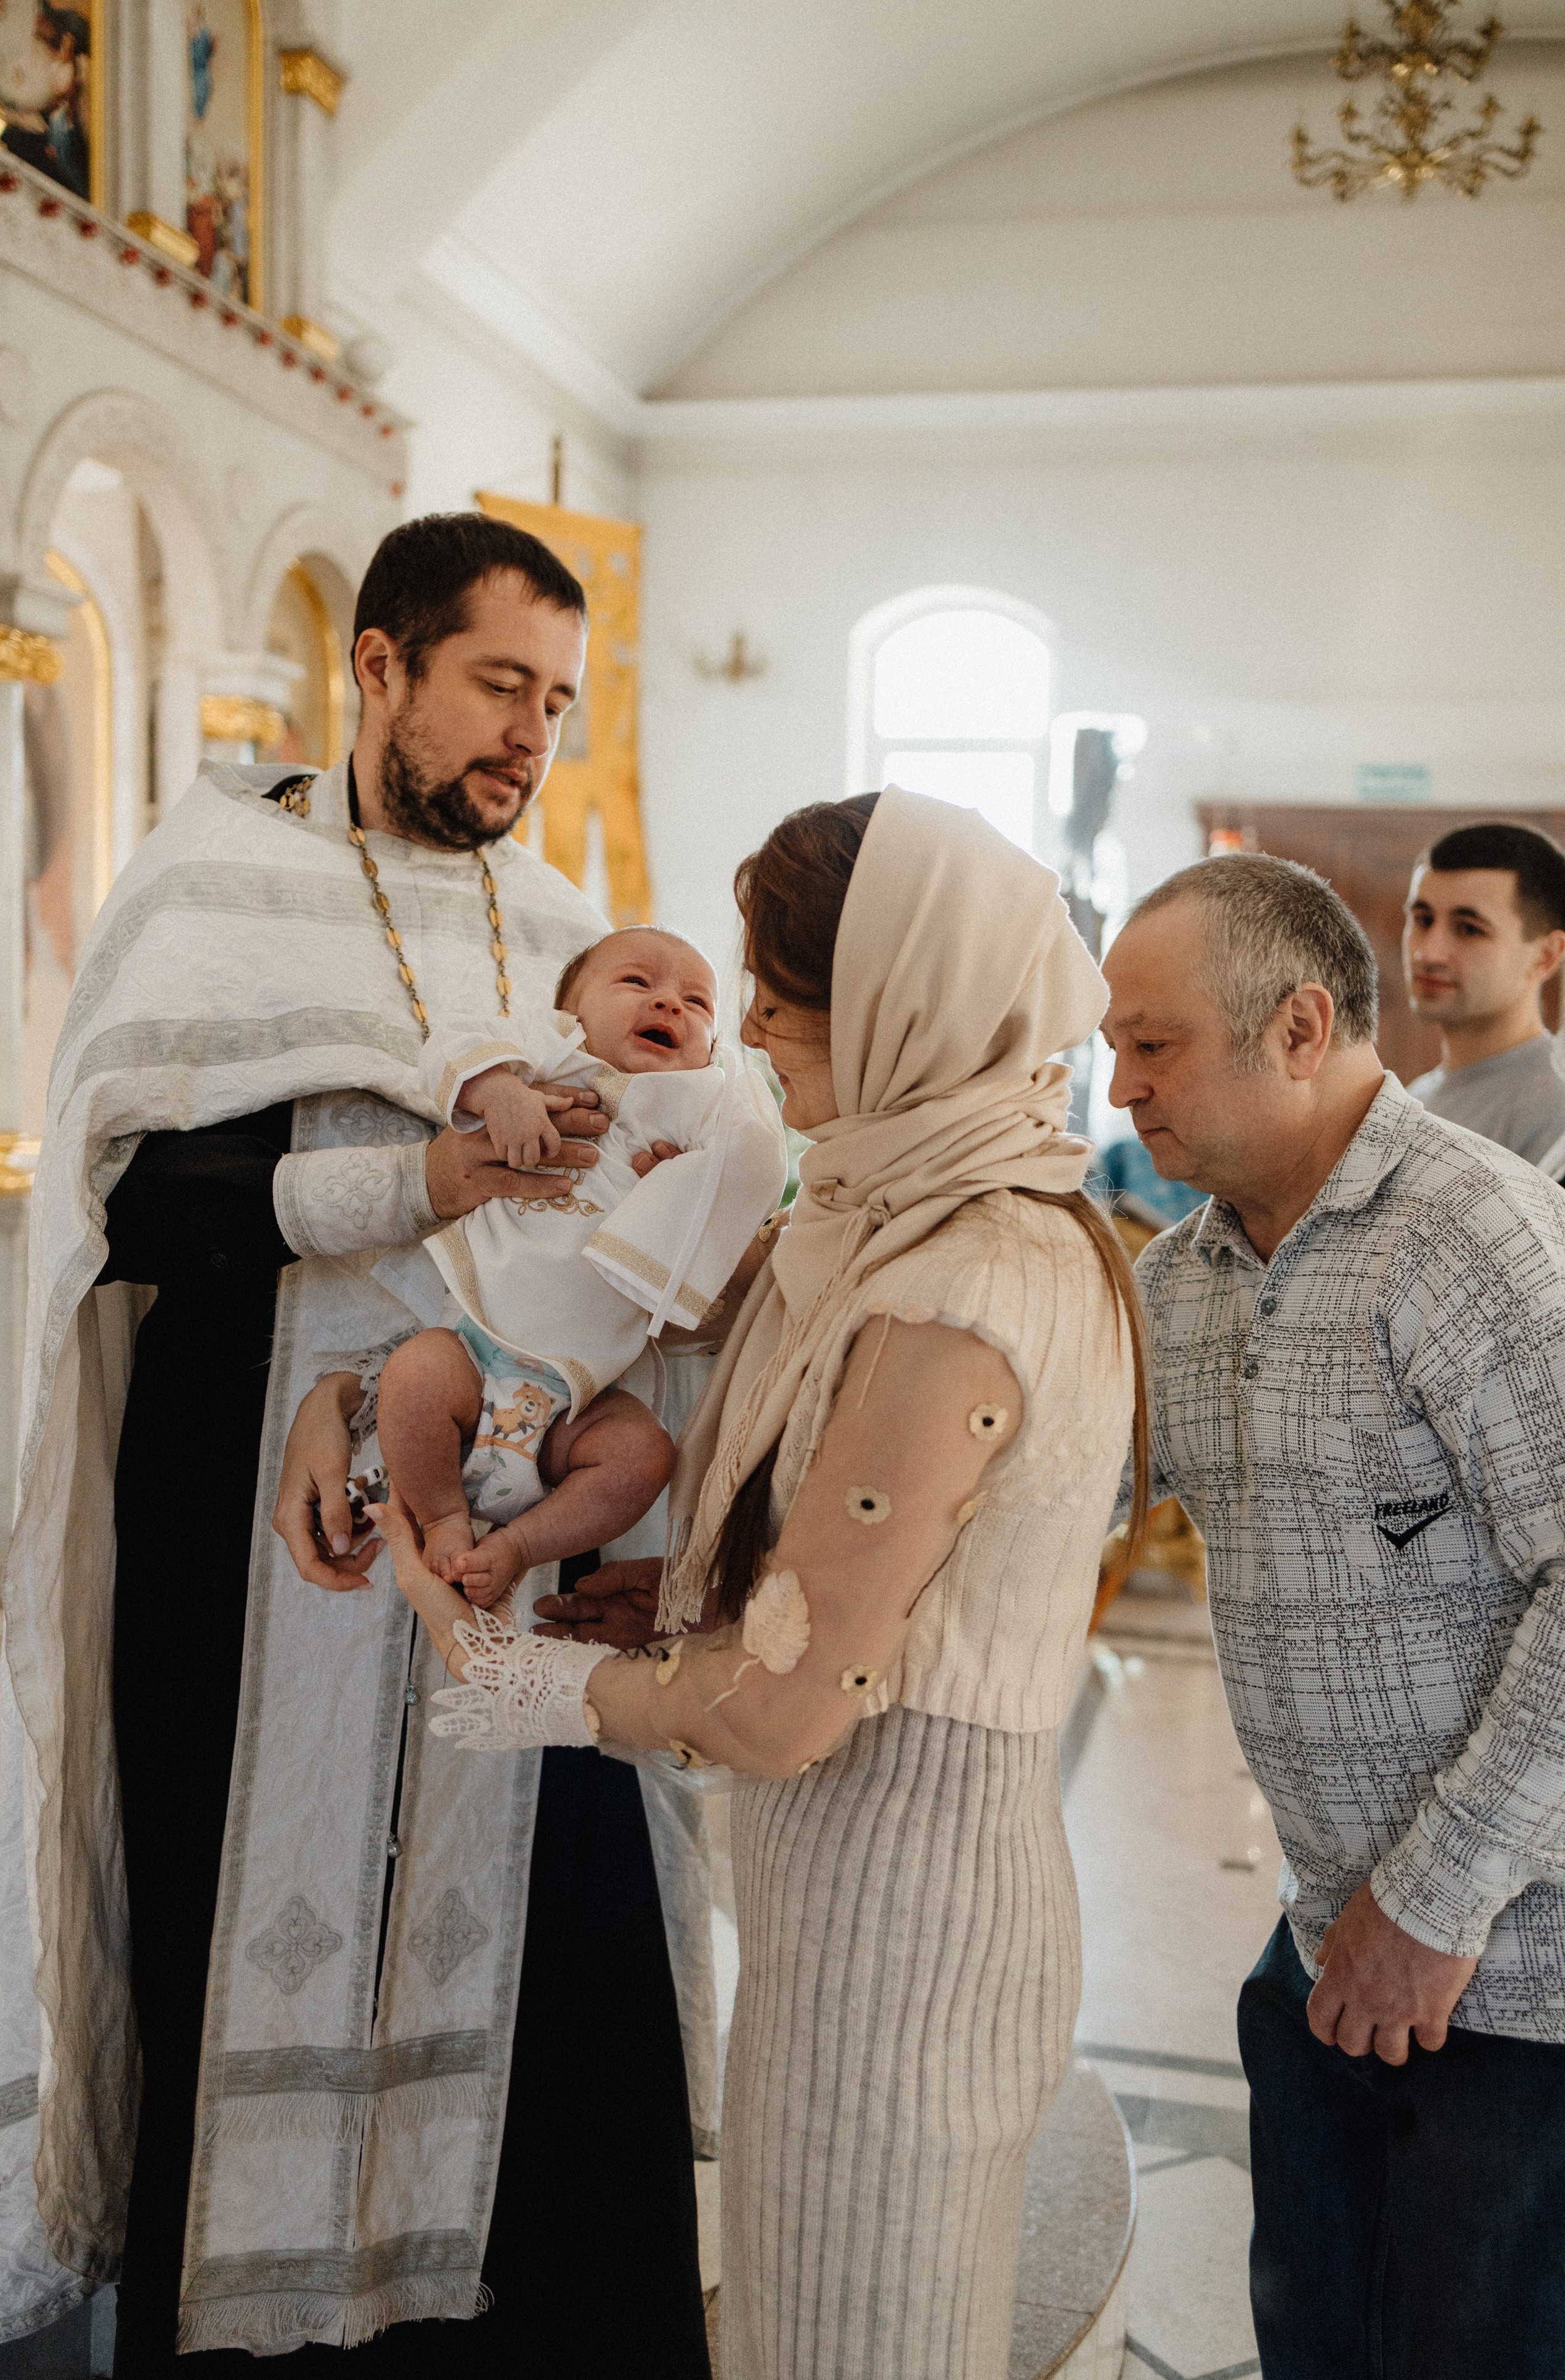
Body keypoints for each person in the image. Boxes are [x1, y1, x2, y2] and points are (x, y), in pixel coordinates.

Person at [0, 512, 712, 2377]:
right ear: (377, 665)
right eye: (496, 685)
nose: (529, 734)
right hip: (247, 1521)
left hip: (507, 1522)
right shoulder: (214, 883)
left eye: (555, 701)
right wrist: (419, 1178)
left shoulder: (563, 930)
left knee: (550, 1968)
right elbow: (127, 1205)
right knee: (232, 1911)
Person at [375, 786, 1149, 2380]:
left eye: (780, 990)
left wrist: (524, 1677)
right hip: (841, 1908)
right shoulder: (905, 1208)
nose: (752, 1025)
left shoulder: (964, 1281)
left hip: (907, 1935)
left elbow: (795, 1706)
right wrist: (690, 1594)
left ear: (892, 1000)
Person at [1102, 852, 1565, 2380]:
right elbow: (1045, 1503)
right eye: (1113, 1044)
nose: (1120, 1086)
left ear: (1297, 1028)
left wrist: (1428, 1907)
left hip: (1516, 1973)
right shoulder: (1183, 1277)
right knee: (1319, 2335)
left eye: (1152, 1043)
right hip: (1323, 1942)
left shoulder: (1474, 1236)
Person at [375, 924, 785, 1604]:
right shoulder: (549, 1053)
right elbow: (455, 1041)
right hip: (474, 1351)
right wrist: (497, 1092)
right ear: (571, 1013)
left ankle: (518, 1545)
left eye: (697, 1002)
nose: (669, 1003)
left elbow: (758, 1157)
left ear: (713, 1049)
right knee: (413, 1374)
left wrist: (696, 1188)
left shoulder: (704, 1102)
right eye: (637, 981)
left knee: (646, 1457)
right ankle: (444, 1517)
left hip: (583, 1397)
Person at [1403, 819, 1565, 1172]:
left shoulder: (1554, 1109)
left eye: (1469, 929)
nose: (1428, 953)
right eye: (1423, 919)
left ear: (1545, 956)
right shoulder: (1415, 1097)